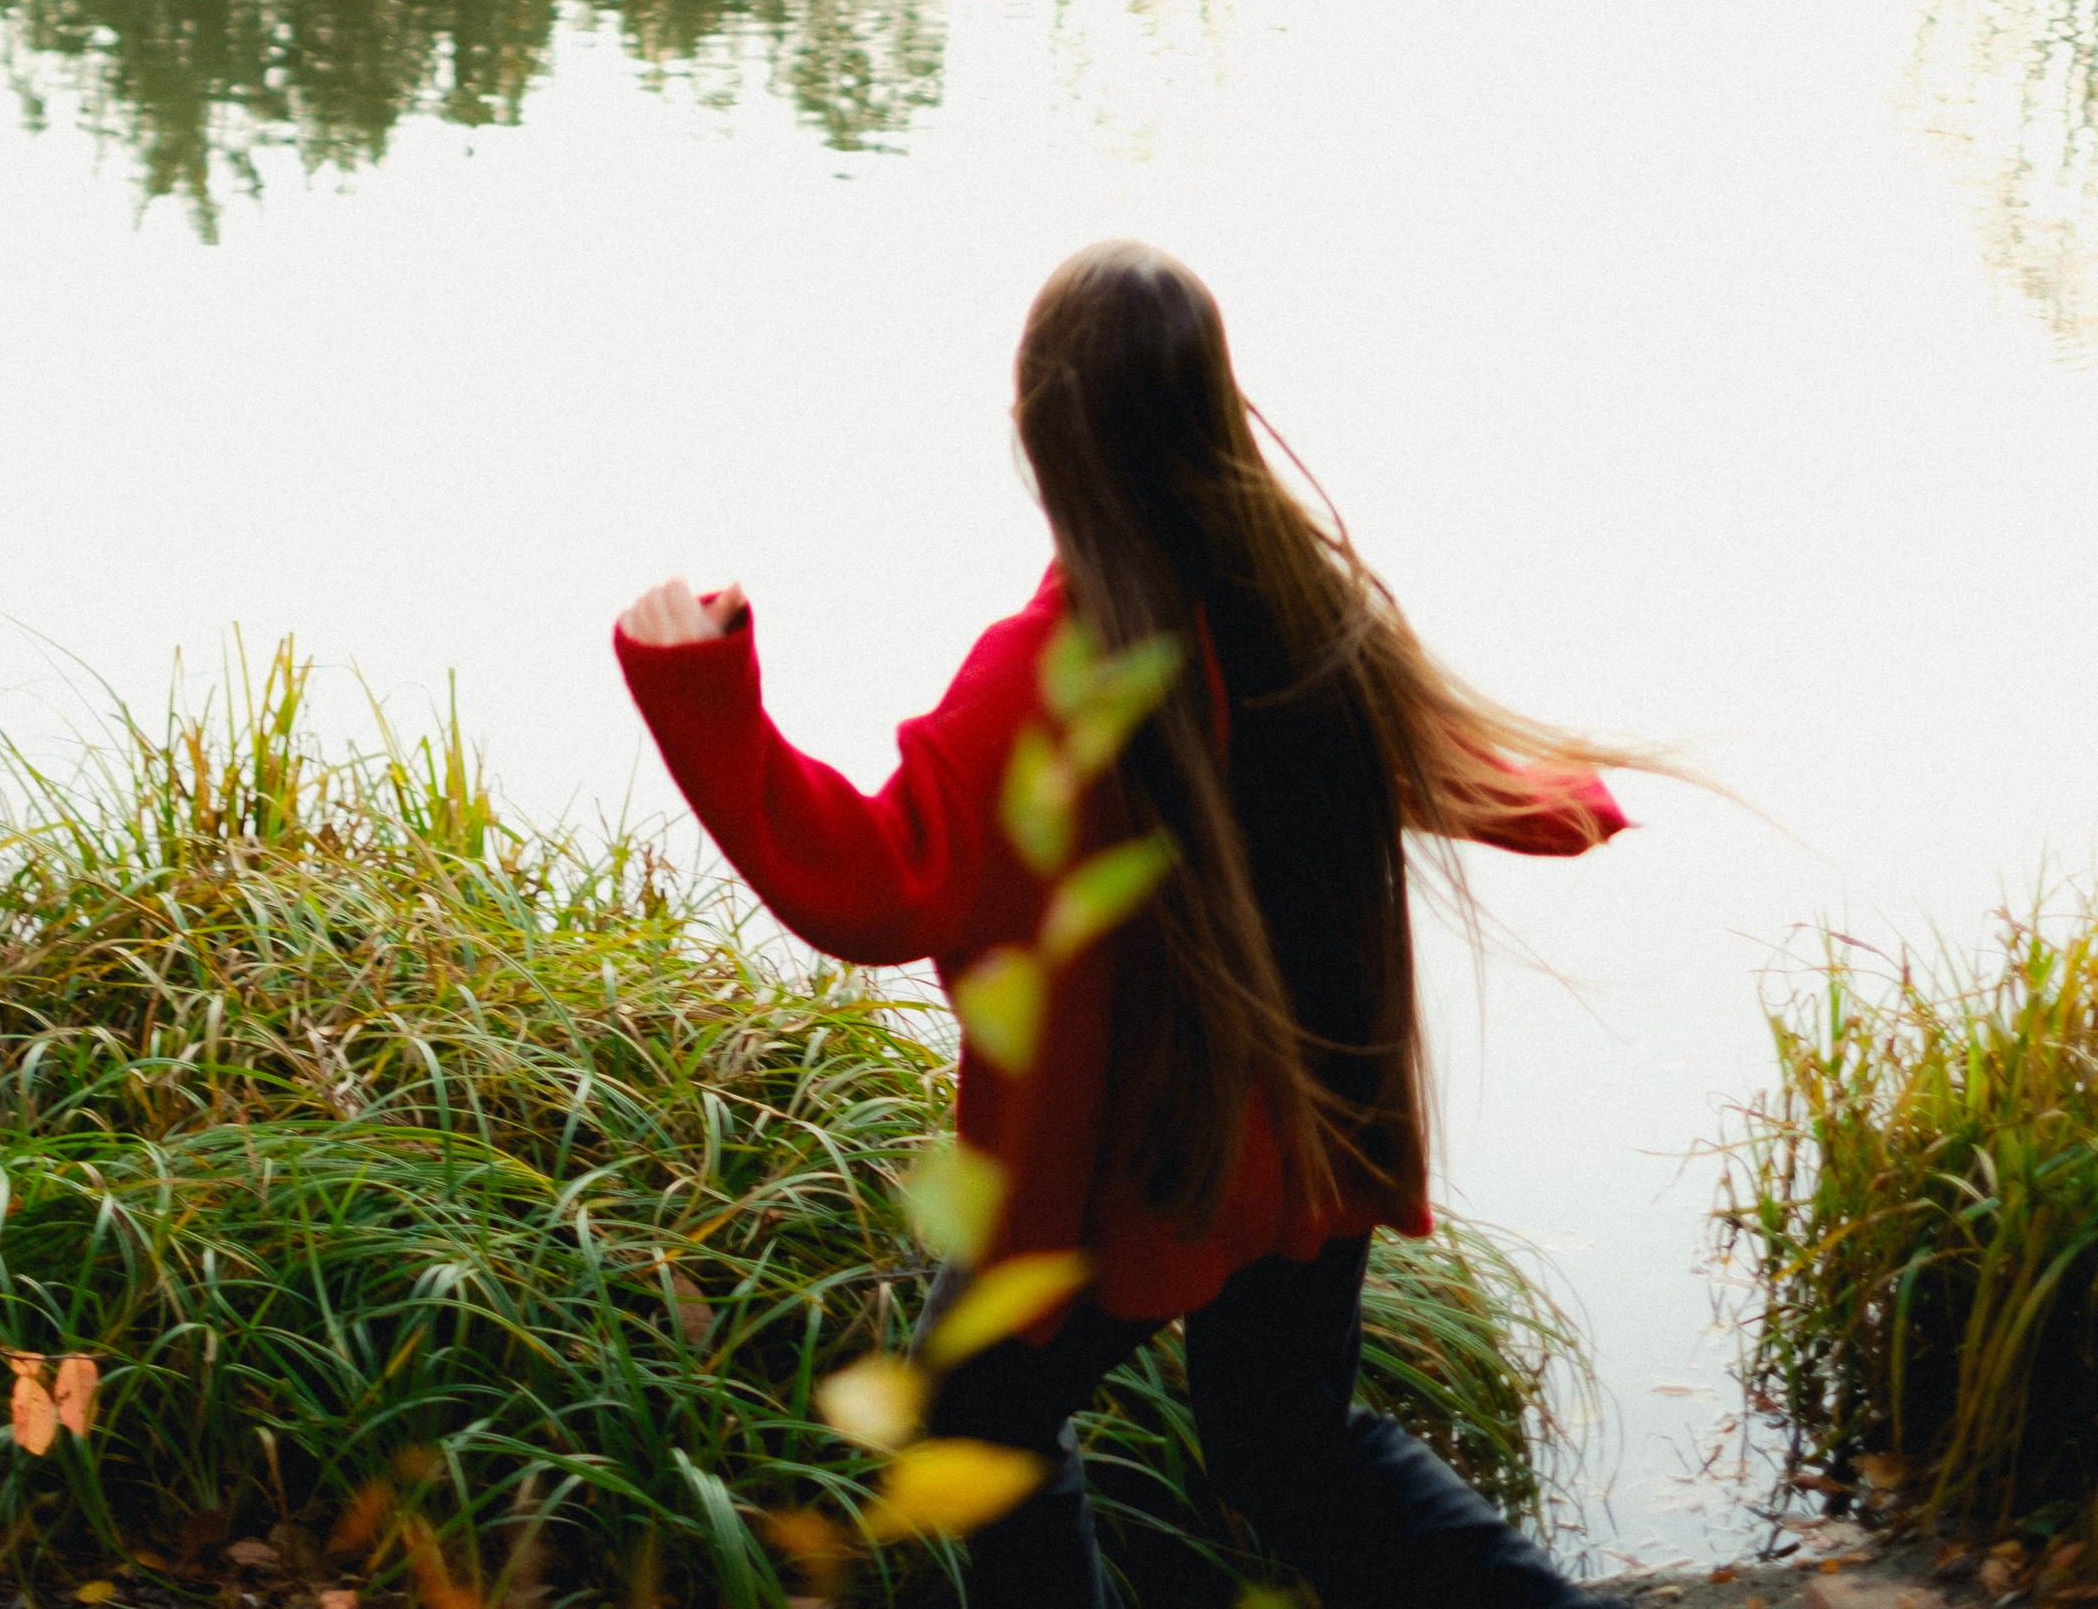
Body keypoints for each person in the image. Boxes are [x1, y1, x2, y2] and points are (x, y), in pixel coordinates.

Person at [615, 239, 1635, 1609]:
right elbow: (1433, 761)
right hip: (1310, 1138)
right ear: (1216, 409)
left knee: (982, 1409)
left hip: (1143, 1161)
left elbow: (871, 882)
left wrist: (698, 690)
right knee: (1290, 1454)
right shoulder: (1305, 604)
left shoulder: (1047, 680)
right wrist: (1556, 804)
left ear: (1040, 432)